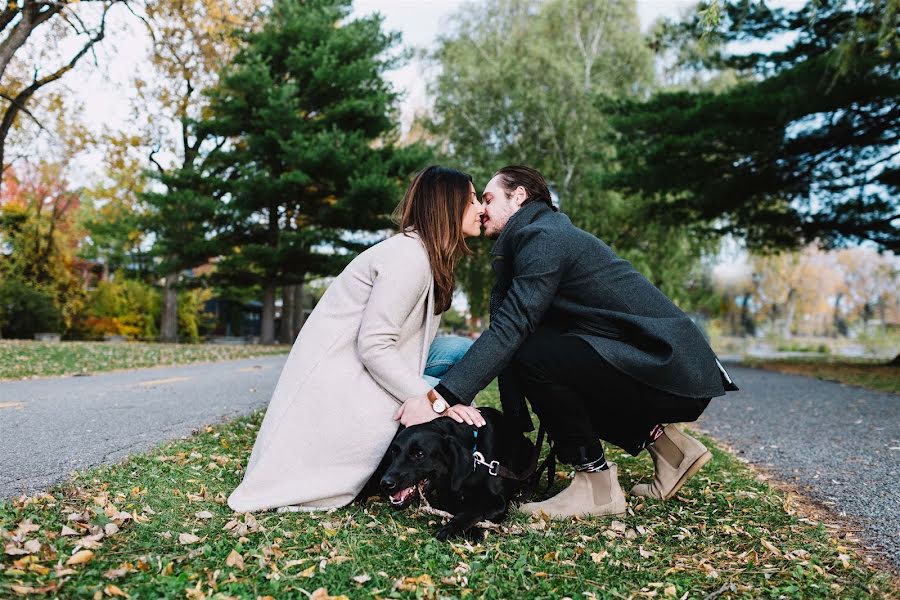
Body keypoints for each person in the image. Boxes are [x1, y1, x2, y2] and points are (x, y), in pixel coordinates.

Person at [399, 165, 738, 519]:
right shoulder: (532, 237)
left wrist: (440, 400)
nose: (481, 209)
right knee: (546, 353)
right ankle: (673, 454)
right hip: (658, 363)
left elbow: (512, 329)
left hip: (671, 366)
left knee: (534, 353)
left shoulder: (543, 236)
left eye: (488, 198)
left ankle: (595, 485)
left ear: (519, 197)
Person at [228, 166, 486, 513]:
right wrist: (436, 402)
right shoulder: (408, 257)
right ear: (448, 205)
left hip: (370, 367)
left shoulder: (427, 256)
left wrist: (437, 397)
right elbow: (374, 346)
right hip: (345, 381)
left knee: (463, 352)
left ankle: (438, 447)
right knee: (449, 387)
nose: (481, 208)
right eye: (471, 200)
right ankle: (418, 457)